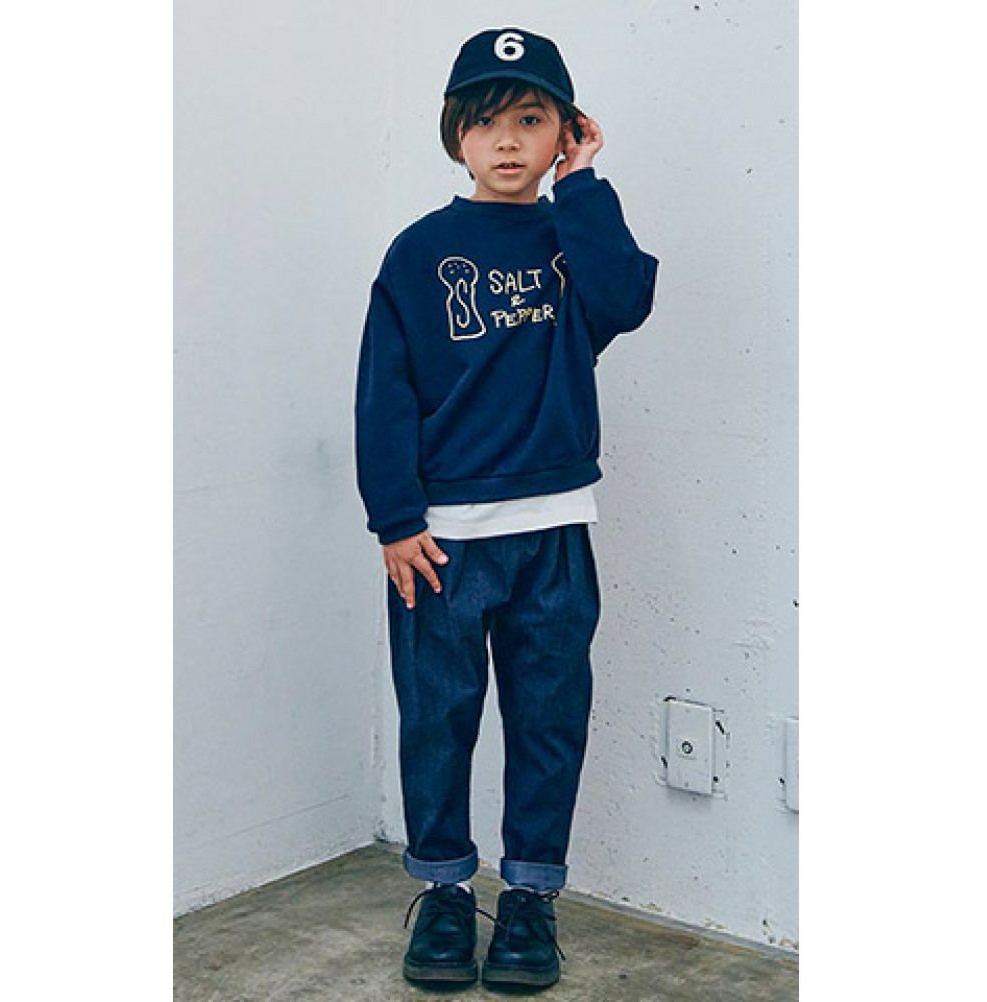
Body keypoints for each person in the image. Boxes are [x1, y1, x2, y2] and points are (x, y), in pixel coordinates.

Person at [353, 25, 658, 990]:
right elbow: (384, 393)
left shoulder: (575, 237)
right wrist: (396, 520)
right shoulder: (418, 253)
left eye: (532, 120)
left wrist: (586, 184)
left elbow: (626, 299)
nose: (510, 141)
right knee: (437, 722)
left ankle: (530, 900)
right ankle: (445, 892)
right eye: (488, 123)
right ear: (458, 136)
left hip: (554, 530)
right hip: (442, 543)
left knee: (548, 721)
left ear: (566, 130)